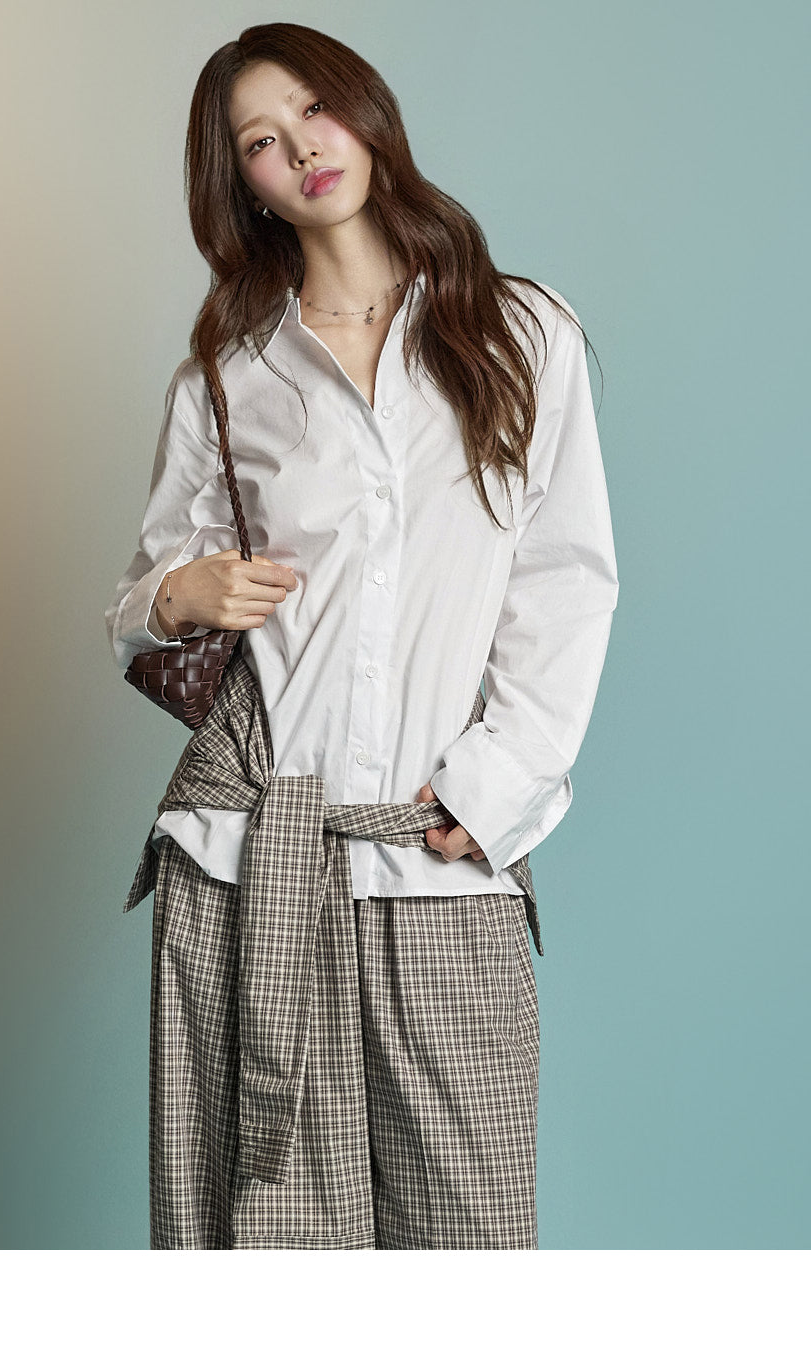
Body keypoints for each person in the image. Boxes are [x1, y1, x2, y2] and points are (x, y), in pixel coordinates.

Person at [105, 21, 618, 1250]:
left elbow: (564, 579)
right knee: (253, 1255)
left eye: (312, 109)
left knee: (467, 1244)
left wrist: (495, 786)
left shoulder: (521, 331)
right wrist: (181, 594)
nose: (300, 149)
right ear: (244, 184)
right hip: (246, 867)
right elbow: (139, 603)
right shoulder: (226, 375)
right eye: (260, 141)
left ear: (365, 109)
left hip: (434, 852)